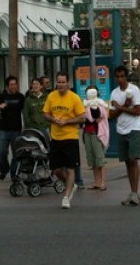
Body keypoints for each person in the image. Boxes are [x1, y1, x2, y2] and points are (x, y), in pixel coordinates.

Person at [43, 71, 85, 209]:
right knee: (55, 169)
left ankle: (66, 196)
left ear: (68, 83)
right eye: (59, 82)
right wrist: (53, 119)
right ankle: (70, 184)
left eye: (63, 82)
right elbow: (46, 113)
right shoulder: (51, 96)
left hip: (70, 137)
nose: (61, 85)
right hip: (55, 137)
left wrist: (67, 121)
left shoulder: (74, 98)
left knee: (71, 167)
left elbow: (82, 117)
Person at [109, 65, 140, 206]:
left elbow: (137, 111)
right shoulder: (114, 93)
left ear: (127, 76)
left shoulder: (134, 90)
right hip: (121, 129)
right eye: (118, 76)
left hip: (134, 128)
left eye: (123, 76)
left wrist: (121, 106)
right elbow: (110, 115)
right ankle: (132, 191)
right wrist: (123, 106)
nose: (120, 79)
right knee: (127, 162)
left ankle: (135, 193)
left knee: (133, 158)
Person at [0, 75, 25, 181]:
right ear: (7, 86)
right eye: (11, 85)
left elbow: (25, 110)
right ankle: (3, 170)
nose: (13, 86)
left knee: (16, 153)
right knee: (2, 152)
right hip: (4, 130)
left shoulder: (20, 97)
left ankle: (14, 173)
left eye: (15, 84)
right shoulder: (2, 96)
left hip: (16, 130)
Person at [82, 86, 109, 191]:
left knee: (99, 158)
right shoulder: (85, 104)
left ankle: (102, 182)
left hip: (97, 133)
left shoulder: (99, 104)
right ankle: (97, 182)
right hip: (87, 133)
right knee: (92, 158)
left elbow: (101, 115)